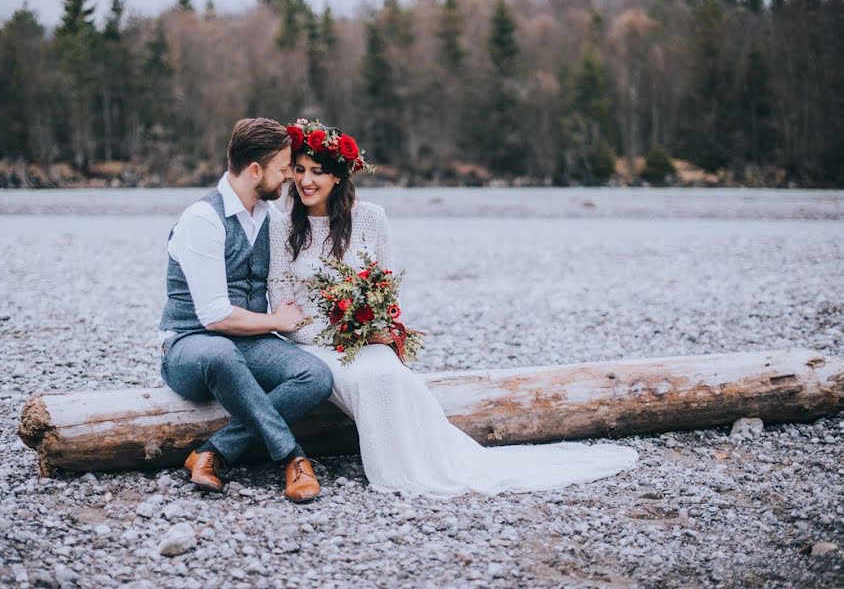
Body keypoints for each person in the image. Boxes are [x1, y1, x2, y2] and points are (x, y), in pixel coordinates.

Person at [268, 120, 638, 497]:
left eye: (317, 172)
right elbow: (279, 295)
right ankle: (396, 468)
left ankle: (436, 461)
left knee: (395, 378)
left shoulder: (371, 218)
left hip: (365, 338)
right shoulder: (283, 227)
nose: (305, 180)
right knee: (368, 381)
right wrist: (333, 334)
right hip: (313, 344)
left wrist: (378, 329)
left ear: (338, 177)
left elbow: (387, 287)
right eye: (299, 169)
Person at [159, 117, 334, 502]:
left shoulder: (268, 218)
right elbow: (215, 317)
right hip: (191, 346)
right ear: (255, 170)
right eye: (284, 167)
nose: (289, 176)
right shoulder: (202, 219)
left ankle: (214, 451)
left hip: (247, 342)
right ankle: (292, 456)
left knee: (315, 376)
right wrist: (277, 321)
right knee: (219, 352)